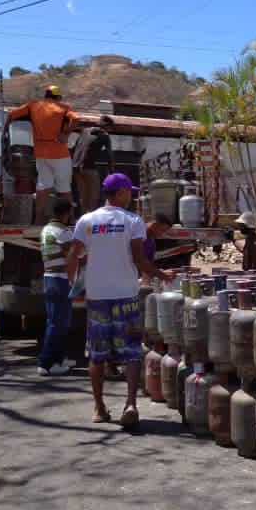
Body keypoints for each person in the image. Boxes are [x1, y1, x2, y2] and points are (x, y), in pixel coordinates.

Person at [66, 173, 175, 427]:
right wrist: (161, 274)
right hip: (125, 294)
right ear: (121, 192)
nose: (132, 196)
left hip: (98, 296)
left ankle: (99, 408)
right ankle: (130, 404)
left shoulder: (87, 220)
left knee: (96, 354)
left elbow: (73, 255)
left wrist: (74, 284)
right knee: (132, 352)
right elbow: (138, 259)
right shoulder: (133, 221)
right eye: (130, 192)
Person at [5, 85, 78, 223]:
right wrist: (65, 133)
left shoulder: (33, 106)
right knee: (64, 188)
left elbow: (11, 115)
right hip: (60, 154)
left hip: (41, 154)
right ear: (58, 97)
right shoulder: (63, 108)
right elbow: (75, 118)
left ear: (46, 95)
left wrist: (4, 130)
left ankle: (38, 219)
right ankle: (72, 219)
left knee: (43, 187)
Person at [38, 198, 77, 377]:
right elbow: (73, 257)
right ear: (66, 213)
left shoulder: (46, 229)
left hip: (50, 278)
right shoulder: (64, 232)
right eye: (70, 212)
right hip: (59, 280)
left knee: (59, 322)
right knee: (56, 323)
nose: (71, 216)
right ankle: (47, 363)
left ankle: (59, 358)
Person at [72, 114, 115, 214]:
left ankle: (82, 220)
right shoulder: (104, 135)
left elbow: (74, 148)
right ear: (107, 126)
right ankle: (92, 220)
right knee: (93, 195)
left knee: (83, 196)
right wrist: (111, 172)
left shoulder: (84, 131)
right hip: (89, 167)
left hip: (76, 168)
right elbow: (109, 155)